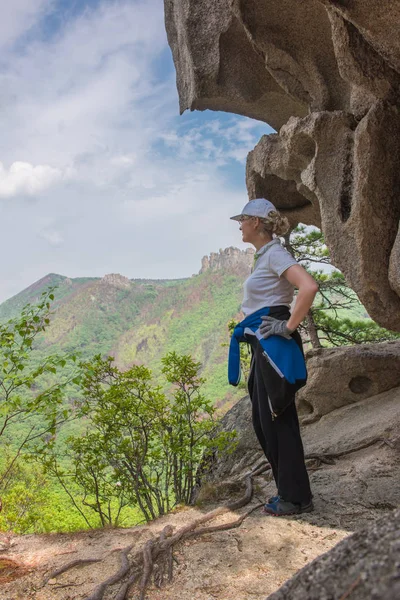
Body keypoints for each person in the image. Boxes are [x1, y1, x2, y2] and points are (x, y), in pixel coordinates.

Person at [228, 198, 318, 516]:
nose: (239, 225)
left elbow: (308, 286)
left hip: (273, 344)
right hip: (263, 345)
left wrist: (287, 325)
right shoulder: (265, 255)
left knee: (278, 421)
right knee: (266, 421)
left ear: (255, 223)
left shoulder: (275, 253)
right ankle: (289, 492)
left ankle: (295, 498)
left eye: (242, 220)